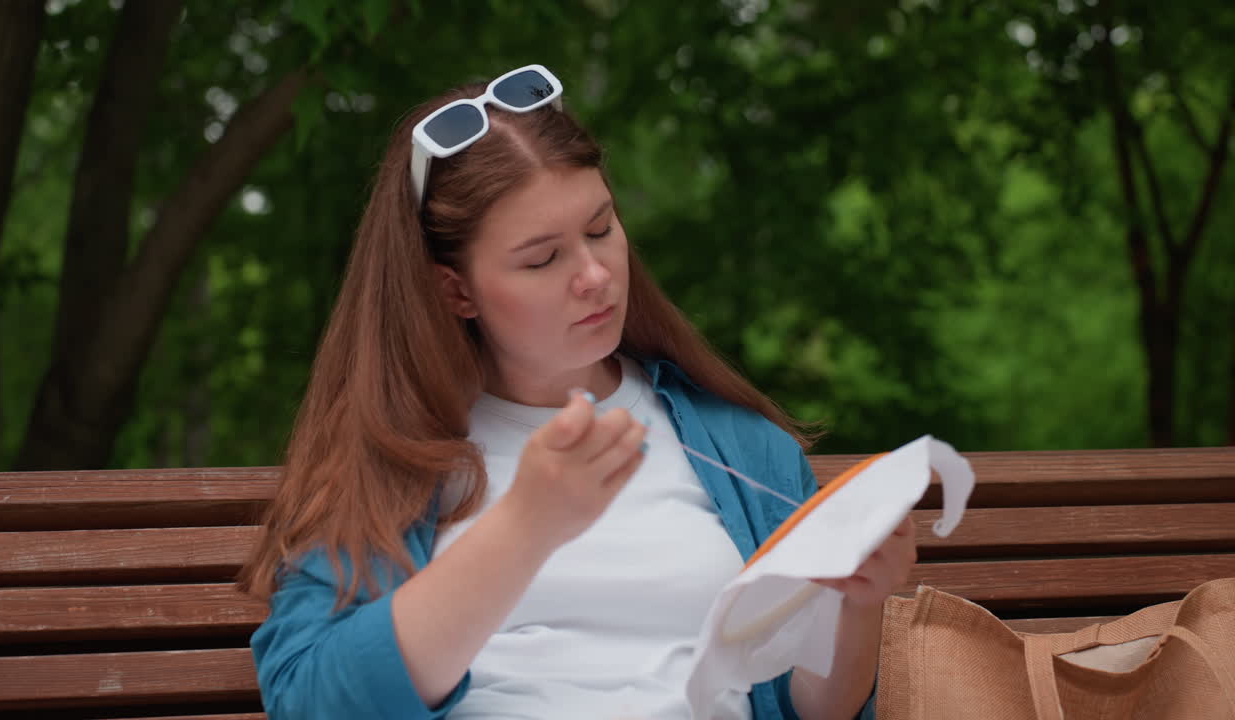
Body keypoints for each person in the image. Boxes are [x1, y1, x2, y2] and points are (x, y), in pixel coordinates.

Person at [237, 63, 915, 720]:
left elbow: (810, 710)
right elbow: (309, 700)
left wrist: (858, 603)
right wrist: (525, 527)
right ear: (456, 290)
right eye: (543, 258)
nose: (595, 275)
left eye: (600, 229)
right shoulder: (388, 469)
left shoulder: (741, 449)